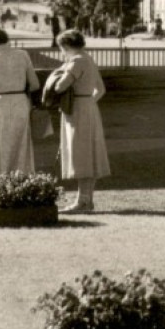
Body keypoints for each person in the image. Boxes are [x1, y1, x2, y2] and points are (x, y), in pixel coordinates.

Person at [45, 29, 109, 213]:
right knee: (88, 154)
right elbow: (101, 90)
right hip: (89, 107)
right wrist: (88, 102)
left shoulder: (76, 62)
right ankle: (86, 200)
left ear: (65, 46)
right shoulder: (88, 59)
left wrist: (60, 71)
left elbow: (59, 87)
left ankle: (83, 201)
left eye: (61, 48)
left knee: (80, 154)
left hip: (78, 110)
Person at [0, 24, 39, 178]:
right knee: (21, 144)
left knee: (0, 145)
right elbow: (35, 84)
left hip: (0, 102)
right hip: (20, 102)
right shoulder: (23, 55)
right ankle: (21, 180)